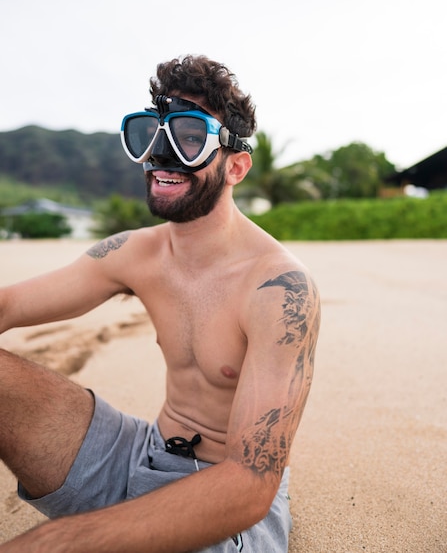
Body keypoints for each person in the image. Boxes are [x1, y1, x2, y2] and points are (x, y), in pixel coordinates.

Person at [0, 55, 320, 552]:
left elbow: (250, 482)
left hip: (226, 501)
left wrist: (59, 541)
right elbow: (7, 305)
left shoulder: (279, 289)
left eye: (190, 137)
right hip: (139, 453)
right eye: (151, 133)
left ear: (235, 164)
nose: (162, 154)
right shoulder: (135, 253)